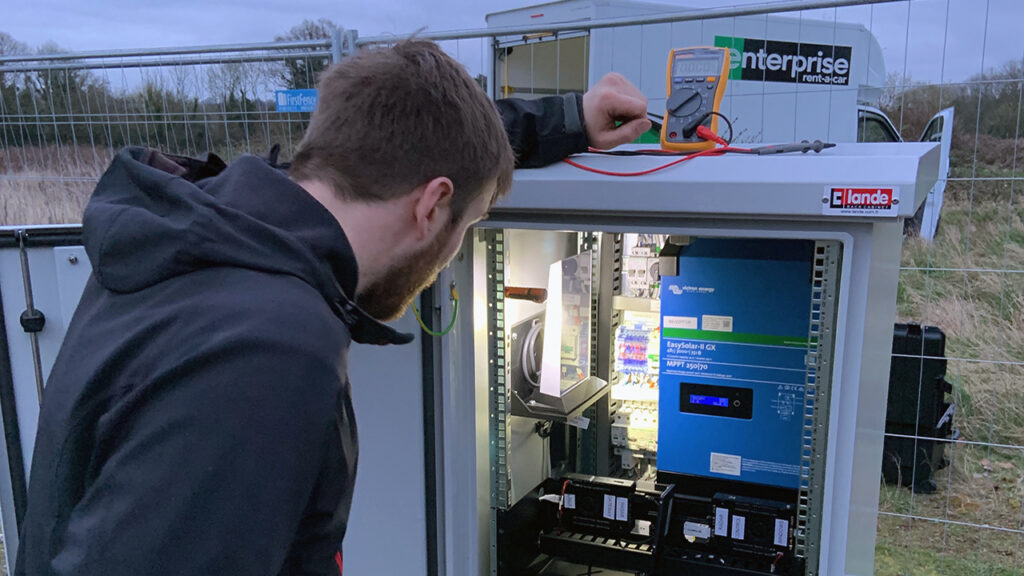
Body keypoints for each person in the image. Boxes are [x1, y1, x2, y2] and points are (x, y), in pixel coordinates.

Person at [15, 40, 650, 576]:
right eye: (469, 225)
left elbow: (416, 138)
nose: (454, 250)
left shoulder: (212, 229)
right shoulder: (267, 351)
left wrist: (568, 116)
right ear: (432, 206)